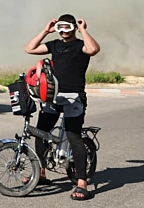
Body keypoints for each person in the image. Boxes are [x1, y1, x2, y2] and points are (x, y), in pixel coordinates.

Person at [24, 13, 100, 201]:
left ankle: (82, 183)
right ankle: (41, 173)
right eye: (61, 27)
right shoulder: (54, 45)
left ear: (73, 27)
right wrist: (45, 30)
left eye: (67, 27)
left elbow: (93, 49)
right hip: (53, 96)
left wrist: (83, 29)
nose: (64, 31)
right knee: (41, 133)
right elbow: (29, 48)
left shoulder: (81, 45)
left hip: (75, 97)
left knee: (74, 137)